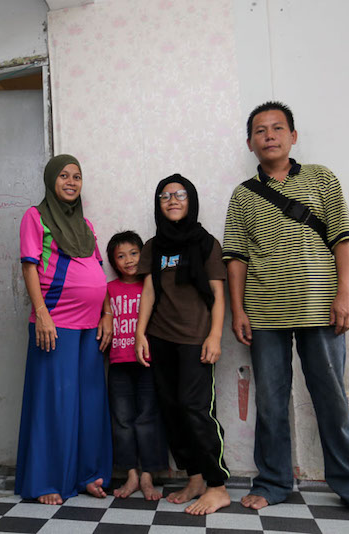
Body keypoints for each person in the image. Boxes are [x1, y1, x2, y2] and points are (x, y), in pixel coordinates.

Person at [222, 101, 349, 522]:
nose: (269, 135)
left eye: (278, 128)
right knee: (272, 403)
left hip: (322, 308)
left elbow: (343, 238)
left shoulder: (321, 178)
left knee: (332, 401)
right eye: (260, 131)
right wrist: (238, 309)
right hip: (265, 313)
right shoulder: (243, 195)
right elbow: (236, 257)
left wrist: (346, 294)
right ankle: (274, 483)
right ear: (250, 143)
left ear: (293, 136)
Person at [14, 154, 113, 505]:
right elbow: (30, 266)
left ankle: (88, 475)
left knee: (89, 403)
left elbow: (98, 270)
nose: (71, 182)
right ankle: (45, 481)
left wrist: (107, 314)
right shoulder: (36, 217)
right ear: (51, 180)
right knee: (54, 404)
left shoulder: (86, 226)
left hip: (91, 326)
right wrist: (41, 314)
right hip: (56, 323)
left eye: (77, 176)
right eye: (64, 176)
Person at [135, 175, 231, 515]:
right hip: (160, 338)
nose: (172, 200)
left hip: (196, 339)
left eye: (179, 195)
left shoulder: (206, 244)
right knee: (172, 411)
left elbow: (220, 296)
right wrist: (139, 333)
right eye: (164, 196)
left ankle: (217, 486)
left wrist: (215, 336)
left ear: (191, 200)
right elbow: (148, 292)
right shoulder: (153, 246)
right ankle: (195, 478)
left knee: (196, 410)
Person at [105, 231, 169, 501]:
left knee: (148, 419)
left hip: (147, 363)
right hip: (119, 364)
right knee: (122, 421)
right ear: (113, 262)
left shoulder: (150, 285)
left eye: (133, 253)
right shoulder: (109, 289)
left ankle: (148, 476)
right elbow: (105, 318)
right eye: (121, 256)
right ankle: (130, 473)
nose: (128, 260)